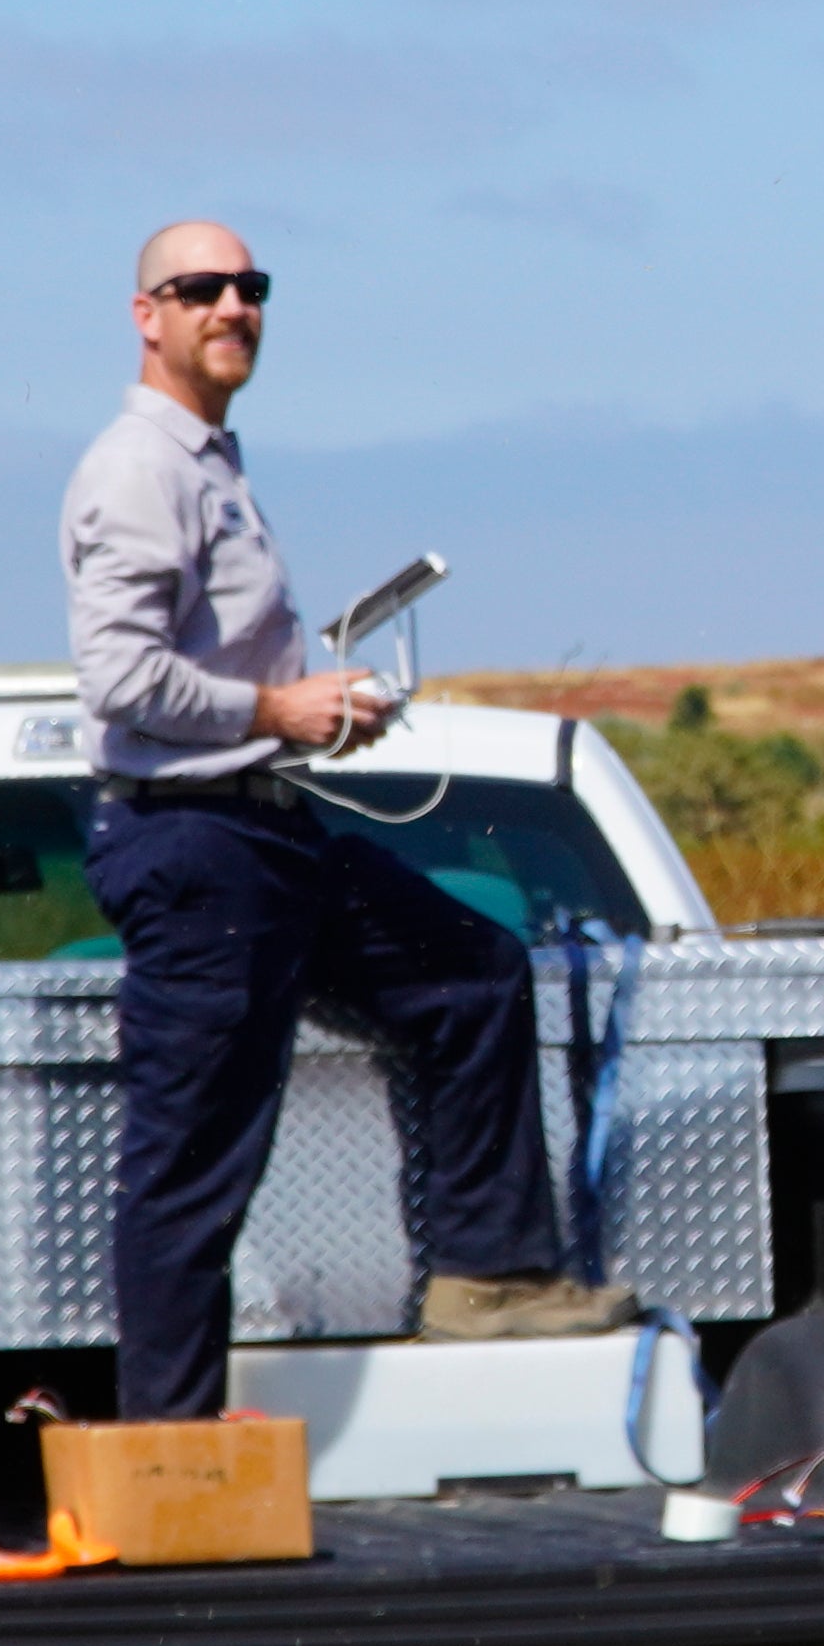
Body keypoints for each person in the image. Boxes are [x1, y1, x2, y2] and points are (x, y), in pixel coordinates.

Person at [61, 219, 635, 1420]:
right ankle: (170, 1455)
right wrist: (280, 703)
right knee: (192, 1168)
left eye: (251, 287)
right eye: (201, 287)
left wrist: (321, 713)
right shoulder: (138, 467)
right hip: (195, 848)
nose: (232, 305)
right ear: (146, 315)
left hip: (265, 831)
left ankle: (487, 1279)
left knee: (472, 972)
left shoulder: (213, 462)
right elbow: (119, 681)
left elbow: (214, 680)